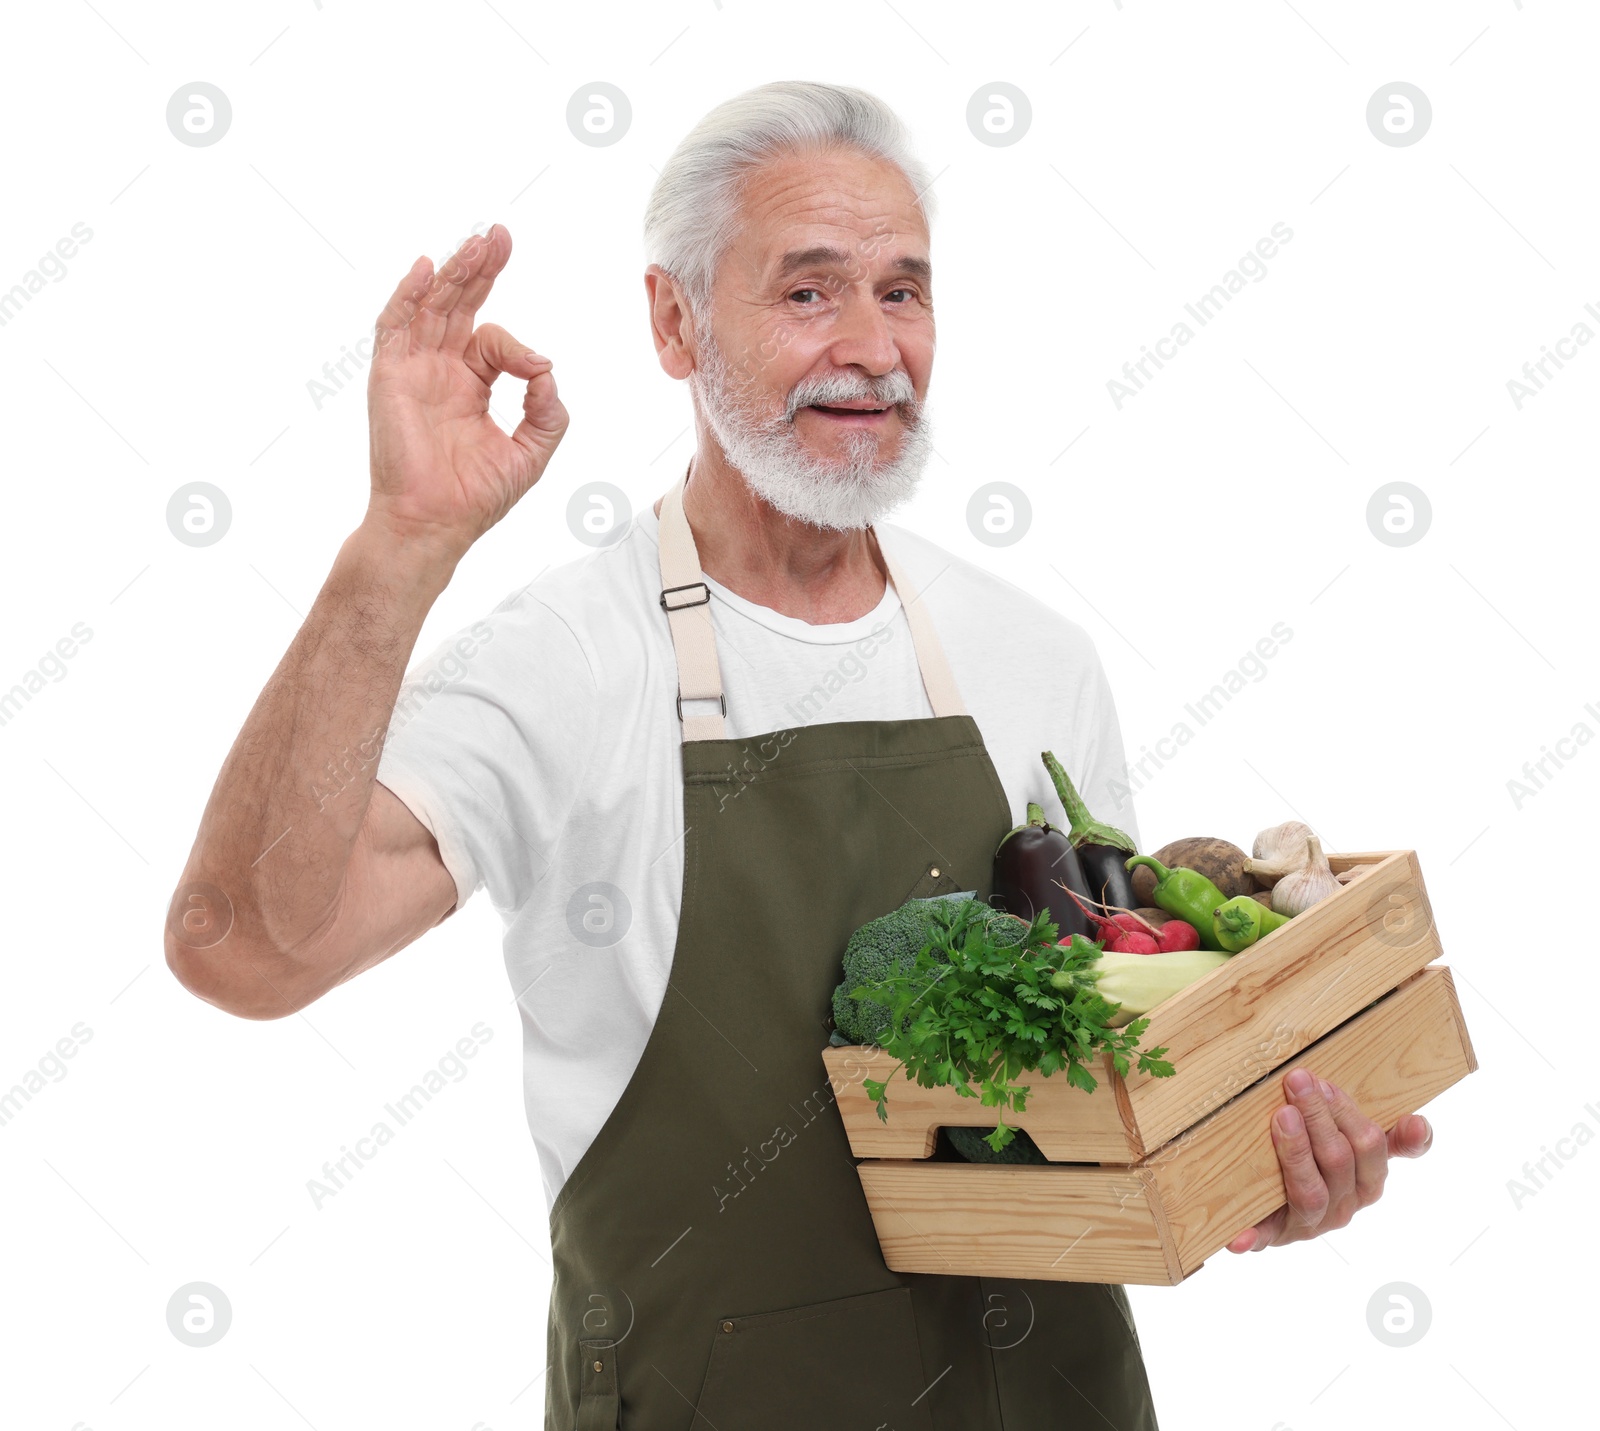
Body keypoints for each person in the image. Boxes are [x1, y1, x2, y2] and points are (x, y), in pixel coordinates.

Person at [165, 80, 1433, 1431]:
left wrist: (1250, 1183)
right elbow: (248, 947)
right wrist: (400, 546)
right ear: (674, 319)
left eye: (905, 290)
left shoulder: (1028, 653)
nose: (874, 349)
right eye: (810, 293)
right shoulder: (570, 659)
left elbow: (1102, 1130)